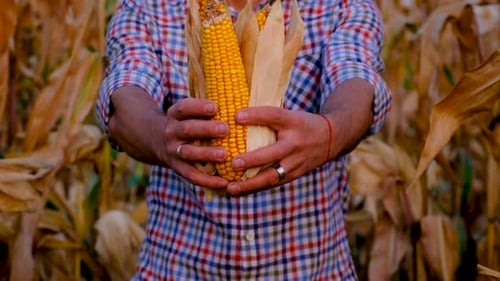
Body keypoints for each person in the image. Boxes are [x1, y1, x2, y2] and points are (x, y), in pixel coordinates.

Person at [96, 0, 392, 279]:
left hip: (313, 270)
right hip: (177, 268)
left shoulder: (338, 6)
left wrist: (331, 133)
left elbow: (356, 80)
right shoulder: (148, 8)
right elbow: (124, 98)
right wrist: (160, 136)